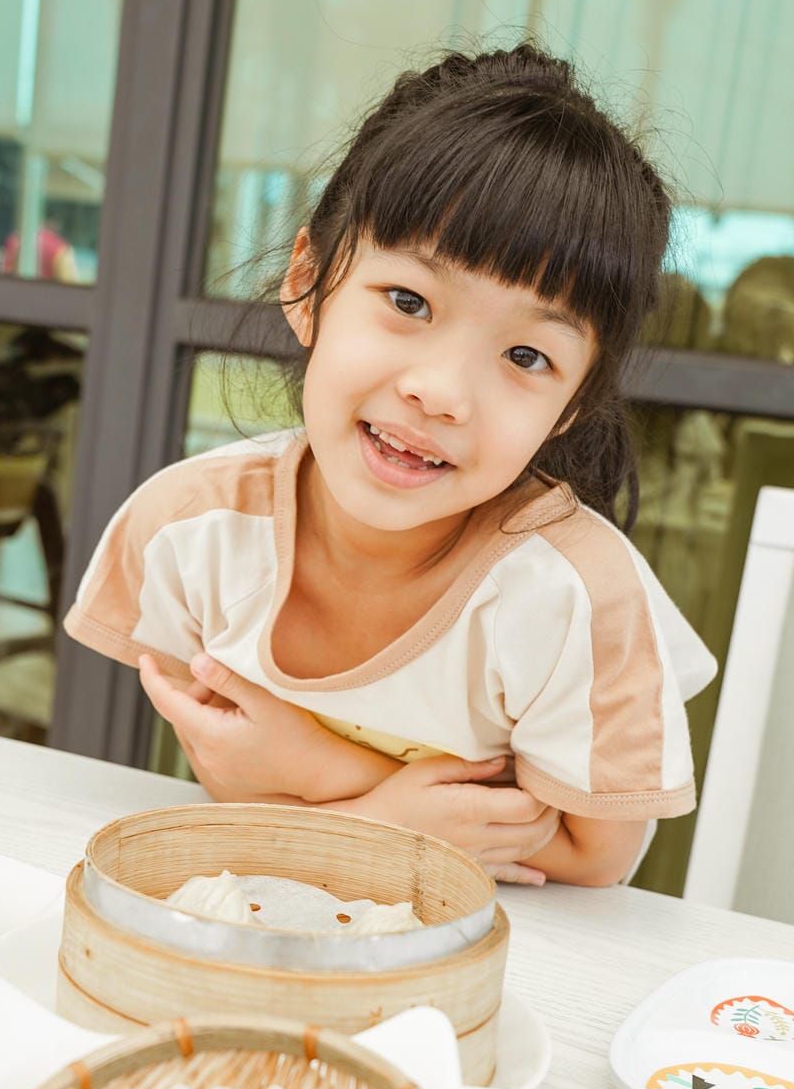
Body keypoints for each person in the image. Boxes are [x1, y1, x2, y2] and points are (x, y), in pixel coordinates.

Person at [63, 44, 717, 886]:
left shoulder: (574, 599)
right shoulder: (189, 530)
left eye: (525, 355)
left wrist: (323, 776)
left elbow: (595, 859)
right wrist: (380, 815)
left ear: (576, 403)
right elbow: (217, 791)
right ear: (308, 282)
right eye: (409, 302)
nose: (442, 392)